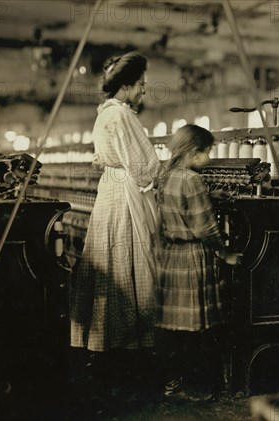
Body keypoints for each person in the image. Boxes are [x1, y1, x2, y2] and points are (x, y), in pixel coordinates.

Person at [70, 51, 161, 357]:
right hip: (124, 193)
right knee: (132, 260)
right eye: (140, 84)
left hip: (109, 188)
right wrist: (160, 174)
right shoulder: (122, 114)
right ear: (126, 85)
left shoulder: (103, 114)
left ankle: (102, 340)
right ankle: (130, 343)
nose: (144, 90)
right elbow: (145, 164)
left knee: (107, 259)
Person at [156, 124, 240, 401]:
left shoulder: (166, 175)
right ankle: (202, 386)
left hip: (171, 256)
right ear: (194, 152)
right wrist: (224, 253)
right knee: (199, 326)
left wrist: (209, 197)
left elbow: (178, 209)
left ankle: (172, 383)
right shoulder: (193, 180)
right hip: (193, 258)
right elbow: (205, 228)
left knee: (174, 325)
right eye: (208, 151)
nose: (210, 158)